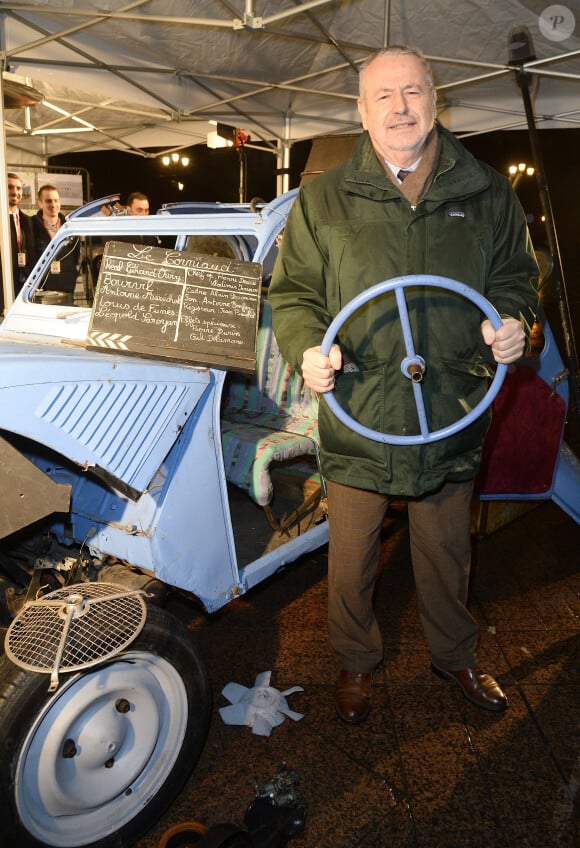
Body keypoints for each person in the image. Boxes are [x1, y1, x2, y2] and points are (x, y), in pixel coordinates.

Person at [268, 45, 539, 724]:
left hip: (449, 404)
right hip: (361, 406)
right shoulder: (324, 196)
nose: (400, 107)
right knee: (351, 553)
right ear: (361, 112)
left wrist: (513, 321)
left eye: (413, 91)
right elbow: (295, 291)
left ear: (435, 99)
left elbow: (514, 278)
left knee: (447, 549)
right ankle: (356, 659)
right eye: (383, 95)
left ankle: (455, 654)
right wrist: (306, 347)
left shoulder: (485, 190)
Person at [32, 184, 79, 306]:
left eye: (56, 200)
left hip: (66, 289)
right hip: (41, 290)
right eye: (48, 201)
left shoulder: (70, 227)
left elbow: (76, 255)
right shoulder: (31, 225)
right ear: (40, 203)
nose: (53, 205)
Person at [5, 172, 34, 309]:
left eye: (18, 188)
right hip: (5, 287)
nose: (15, 192)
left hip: (24, 286)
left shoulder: (27, 220)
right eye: (10, 187)